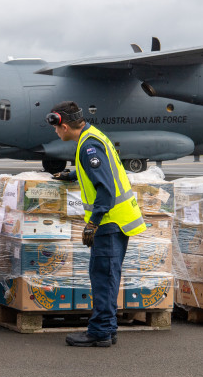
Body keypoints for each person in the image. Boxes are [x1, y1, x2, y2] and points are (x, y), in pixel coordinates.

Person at [47, 101, 146, 347]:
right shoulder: (92, 136)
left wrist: (93, 223)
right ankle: (107, 328)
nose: (55, 132)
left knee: (103, 278)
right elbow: (104, 172)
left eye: (57, 128)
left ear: (65, 125)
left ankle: (100, 331)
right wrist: (72, 174)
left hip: (110, 223)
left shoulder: (89, 146)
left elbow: (106, 188)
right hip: (114, 222)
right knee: (107, 277)